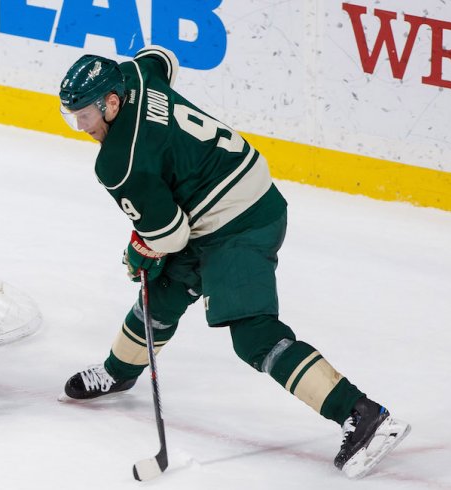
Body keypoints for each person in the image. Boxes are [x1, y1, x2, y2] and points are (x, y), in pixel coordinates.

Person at [56, 47, 410, 479]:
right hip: (234, 192)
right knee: (163, 294)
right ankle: (118, 373)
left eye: (86, 116)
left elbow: (169, 236)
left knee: (254, 337)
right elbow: (160, 58)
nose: (80, 126)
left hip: (240, 223)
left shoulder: (118, 161)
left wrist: (139, 252)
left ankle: (363, 414)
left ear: (112, 102)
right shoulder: (133, 75)